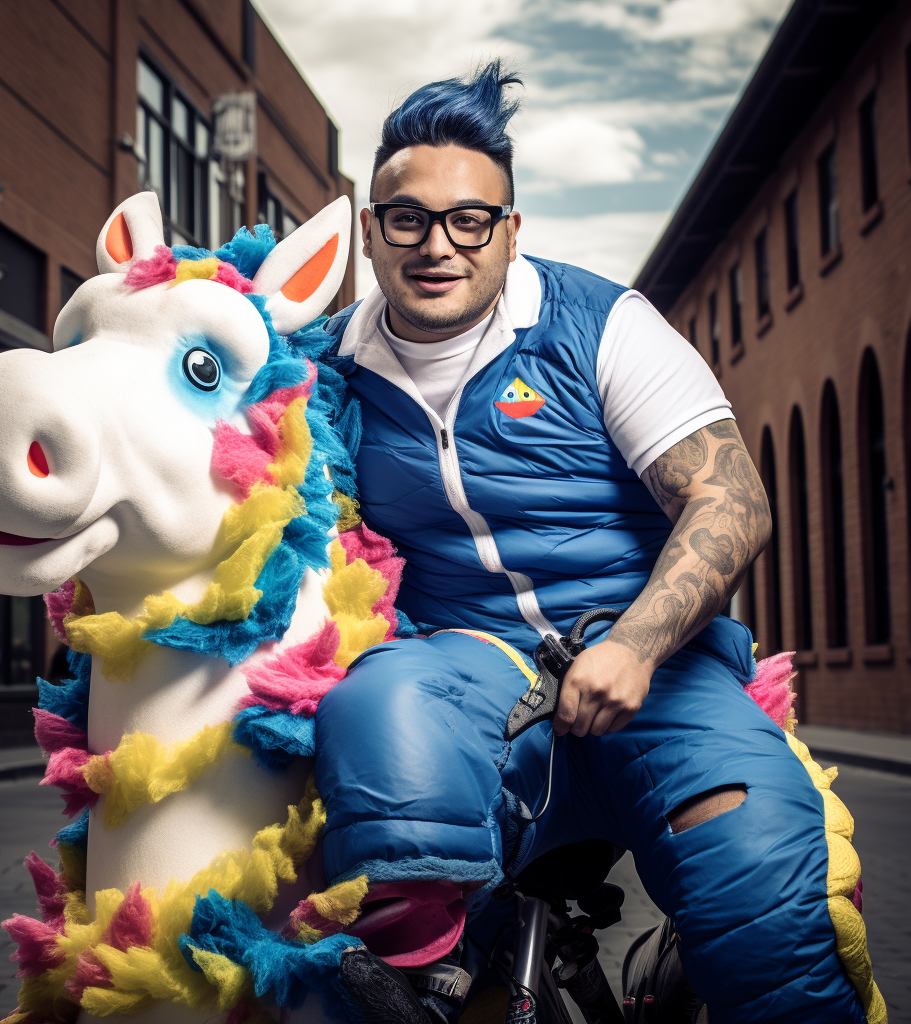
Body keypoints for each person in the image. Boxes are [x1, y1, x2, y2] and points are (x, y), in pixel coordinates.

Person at [314, 62, 882, 1024]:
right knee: (377, 710)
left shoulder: (600, 324)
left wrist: (633, 645)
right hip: (464, 669)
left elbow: (730, 498)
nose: (437, 245)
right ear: (371, 230)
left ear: (510, 230)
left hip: (657, 668)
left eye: (470, 220)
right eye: (406, 218)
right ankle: (417, 978)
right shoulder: (328, 367)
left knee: (771, 888)